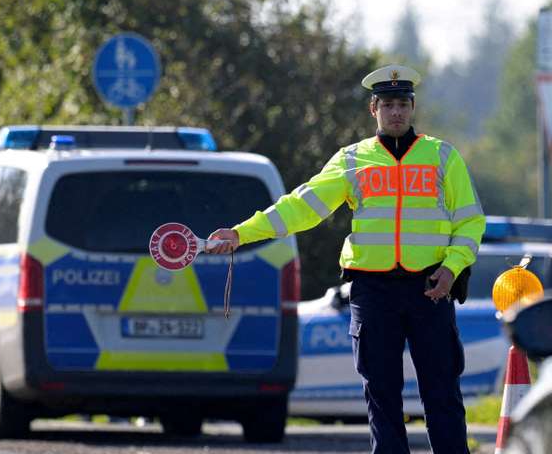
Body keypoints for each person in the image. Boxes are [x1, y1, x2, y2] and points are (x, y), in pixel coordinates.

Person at [207, 64, 485, 454]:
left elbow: (470, 222)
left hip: (430, 287)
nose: (396, 112)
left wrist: (451, 268)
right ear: (374, 108)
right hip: (374, 291)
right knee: (381, 395)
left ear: (413, 107)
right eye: (388, 105)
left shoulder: (442, 156)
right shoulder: (352, 160)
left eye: (403, 104)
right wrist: (241, 233)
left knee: (441, 393)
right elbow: (301, 206)